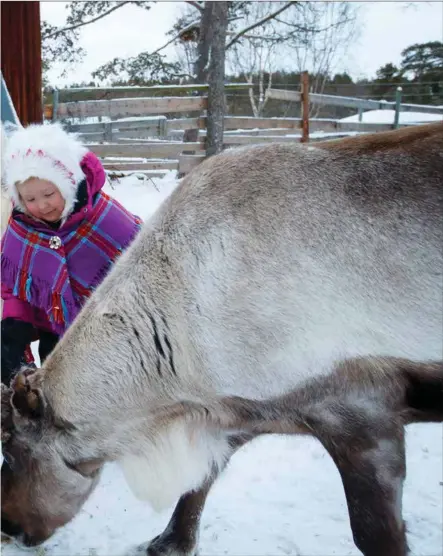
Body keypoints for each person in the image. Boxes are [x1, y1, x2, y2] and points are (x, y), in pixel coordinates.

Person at [1, 122, 142, 385]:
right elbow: (14, 285)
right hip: (53, 334)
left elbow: (141, 257)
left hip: (106, 330)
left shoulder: (103, 217)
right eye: (29, 199)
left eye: (48, 194)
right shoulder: (21, 229)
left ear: (66, 182)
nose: (41, 206)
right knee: (59, 392)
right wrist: (14, 328)